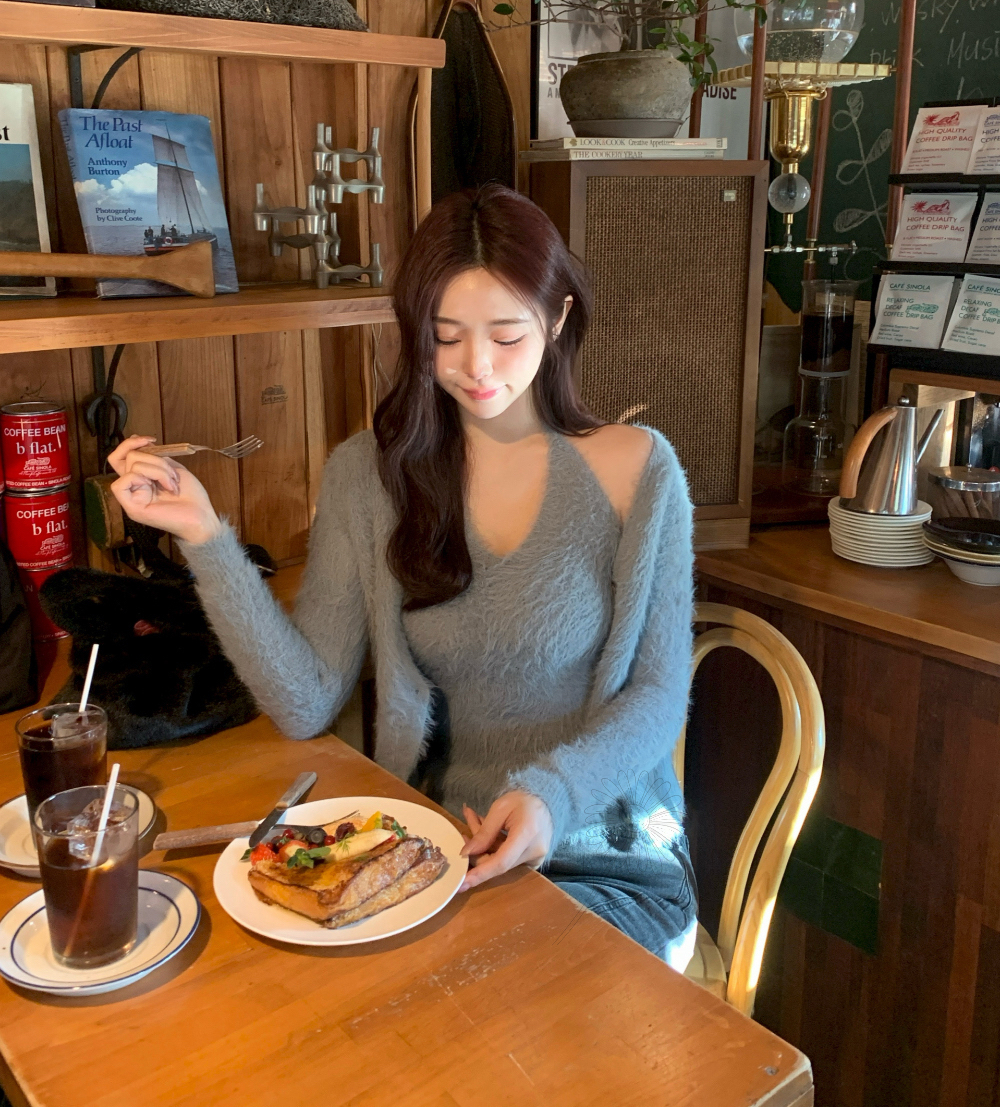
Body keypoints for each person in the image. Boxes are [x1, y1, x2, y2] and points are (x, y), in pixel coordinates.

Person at [108, 183, 698, 969]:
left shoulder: (637, 470)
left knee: (486, 1008)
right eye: (445, 337)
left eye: (507, 335)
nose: (476, 367)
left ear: (557, 320)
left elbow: (659, 694)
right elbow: (304, 701)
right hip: (438, 854)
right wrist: (204, 536)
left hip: (605, 858)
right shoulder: (368, 476)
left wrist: (551, 795)